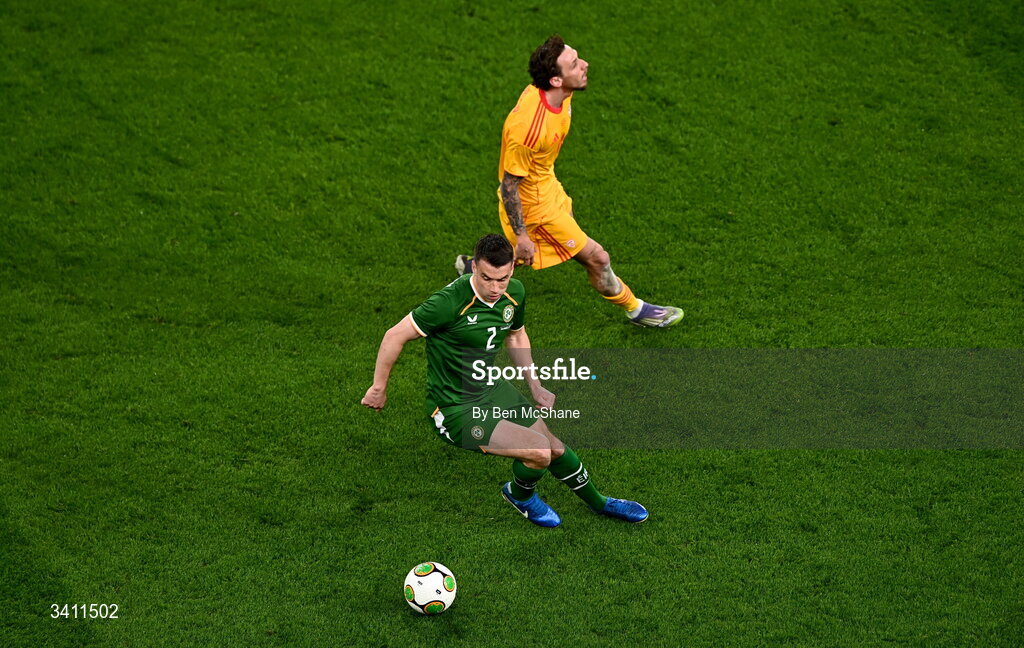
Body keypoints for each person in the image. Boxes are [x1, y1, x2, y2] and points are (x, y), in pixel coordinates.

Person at [364, 234, 648, 527]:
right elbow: (394, 336)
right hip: (454, 407)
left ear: (512, 269)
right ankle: (519, 495)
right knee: (538, 452)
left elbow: (516, 335)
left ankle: (600, 503)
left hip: (491, 387)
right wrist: (378, 388)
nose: (495, 288)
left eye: (503, 279)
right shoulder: (447, 303)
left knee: (553, 447)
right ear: (474, 267)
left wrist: (535, 385)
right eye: (487, 278)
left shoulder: (514, 292)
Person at [455, 35, 683, 328]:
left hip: (547, 184)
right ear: (555, 80)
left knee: (532, 251)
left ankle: (477, 270)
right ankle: (637, 310)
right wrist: (522, 234)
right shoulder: (528, 129)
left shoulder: (558, 93)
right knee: (597, 257)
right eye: (574, 64)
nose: (585, 64)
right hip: (535, 208)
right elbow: (509, 185)